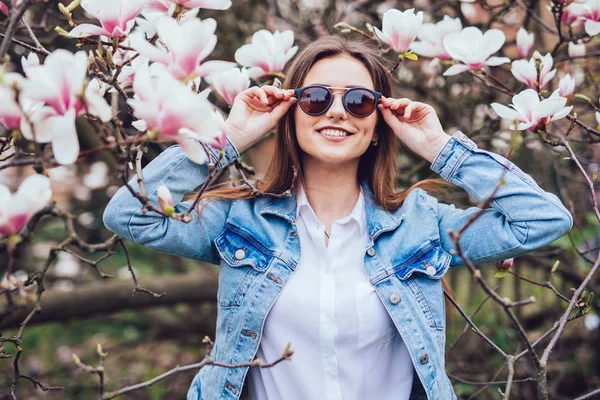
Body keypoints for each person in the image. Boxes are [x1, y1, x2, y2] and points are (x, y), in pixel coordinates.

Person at [103, 35, 573, 400]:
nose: (336, 112)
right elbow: (128, 213)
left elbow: (542, 220)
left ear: (376, 125)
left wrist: (440, 148)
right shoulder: (240, 221)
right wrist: (227, 136)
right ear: (291, 113)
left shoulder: (420, 225)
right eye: (315, 98)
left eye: (358, 101)